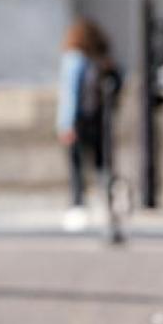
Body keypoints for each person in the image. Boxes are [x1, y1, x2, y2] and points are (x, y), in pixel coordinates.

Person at [56, 17, 119, 232]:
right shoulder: (97, 60)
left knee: (77, 166)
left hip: (79, 119)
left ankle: (78, 205)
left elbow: (70, 93)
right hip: (97, 118)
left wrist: (66, 124)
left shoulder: (74, 59)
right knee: (101, 163)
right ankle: (106, 202)